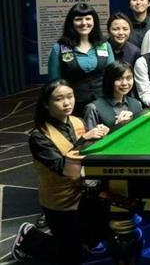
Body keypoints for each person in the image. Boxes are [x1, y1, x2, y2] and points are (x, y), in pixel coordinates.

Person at [13, 81, 109, 264]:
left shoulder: (77, 121)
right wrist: (84, 139)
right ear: (46, 104)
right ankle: (27, 237)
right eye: (59, 99)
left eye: (70, 96)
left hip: (83, 193)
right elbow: (65, 169)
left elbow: (88, 153)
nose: (67, 103)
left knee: (102, 230)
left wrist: (102, 136)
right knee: (70, 257)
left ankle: (87, 238)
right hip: (60, 201)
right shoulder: (39, 136)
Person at [48, 3, 115, 116]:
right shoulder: (59, 48)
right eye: (78, 19)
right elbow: (54, 83)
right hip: (73, 106)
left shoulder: (104, 45)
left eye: (88, 19)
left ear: (94, 21)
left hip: (103, 103)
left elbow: (112, 75)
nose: (84, 23)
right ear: (71, 22)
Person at [83, 61, 143, 130]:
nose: (124, 83)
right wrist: (116, 126)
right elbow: (90, 136)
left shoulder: (137, 104)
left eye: (129, 78)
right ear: (109, 80)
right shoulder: (93, 109)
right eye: (119, 79)